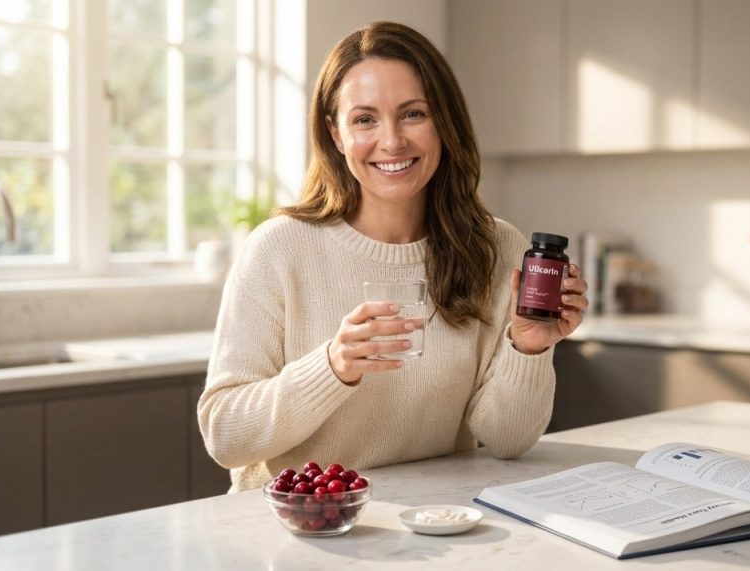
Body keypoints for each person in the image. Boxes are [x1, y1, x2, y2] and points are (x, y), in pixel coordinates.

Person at [198, 21, 588, 492]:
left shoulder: (496, 248)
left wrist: (530, 345)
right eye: (364, 119)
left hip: (436, 526)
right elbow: (224, 434)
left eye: (413, 114)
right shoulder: (280, 249)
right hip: (301, 533)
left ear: (444, 121)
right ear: (336, 134)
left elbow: (506, 441)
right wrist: (332, 366)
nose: (392, 141)